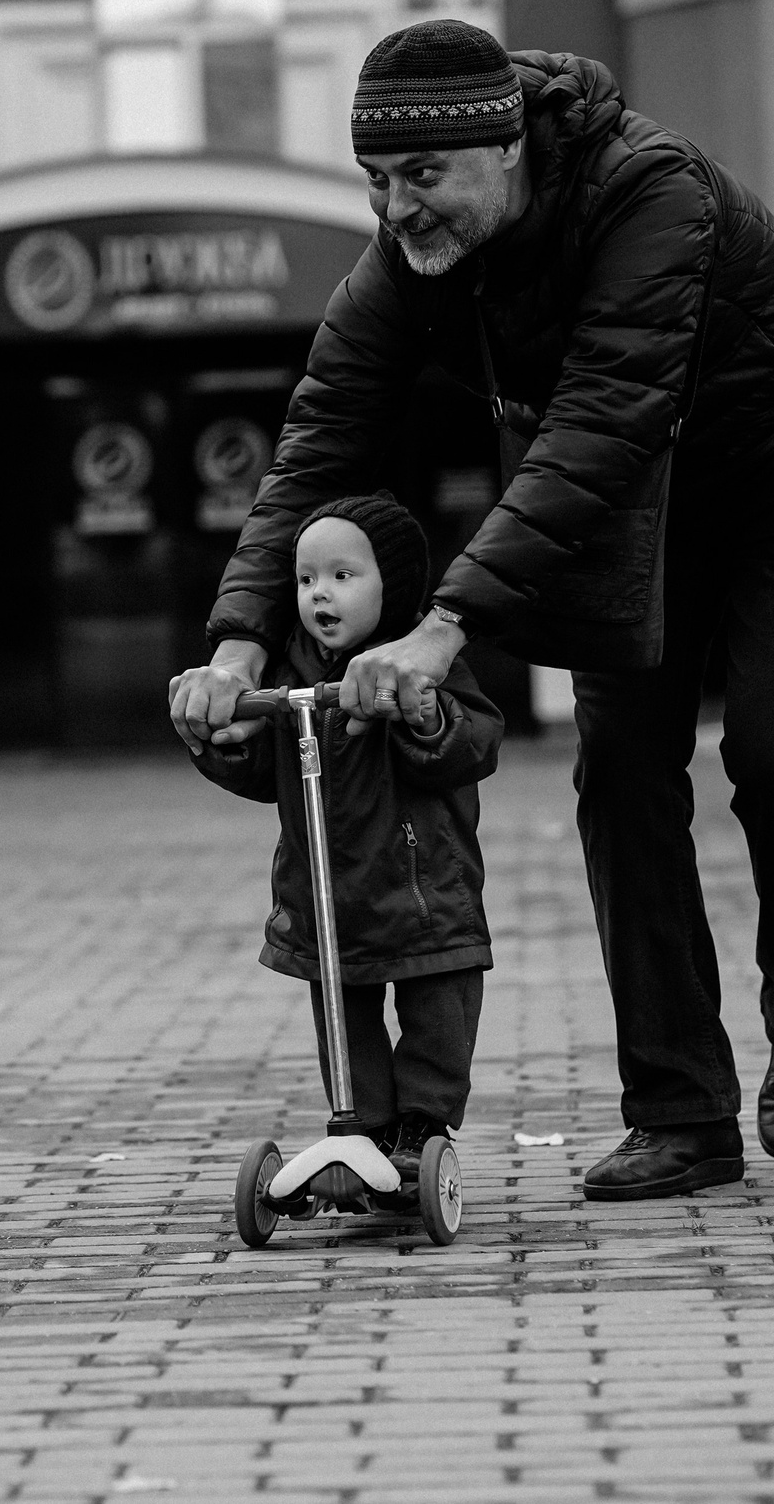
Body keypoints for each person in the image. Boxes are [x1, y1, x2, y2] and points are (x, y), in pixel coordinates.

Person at [170, 20, 774, 1201]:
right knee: (622, 771)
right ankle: (682, 1114)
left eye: (423, 178)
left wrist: (443, 629)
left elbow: (603, 418)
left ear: (505, 149)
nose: (397, 211)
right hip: (608, 473)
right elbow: (321, 434)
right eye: (378, 183)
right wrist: (237, 639)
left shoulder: (652, 196)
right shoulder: (410, 256)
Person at [186, 492, 503, 1192]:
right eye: (305, 579)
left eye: (342, 575)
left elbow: (474, 740)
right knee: (343, 1016)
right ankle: (361, 1126)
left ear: (392, 585)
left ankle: (422, 1126)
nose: (318, 593)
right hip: (327, 893)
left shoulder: (425, 663)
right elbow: (263, 771)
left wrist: (424, 714)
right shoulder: (291, 675)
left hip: (422, 888)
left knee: (435, 1012)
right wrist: (219, 734)